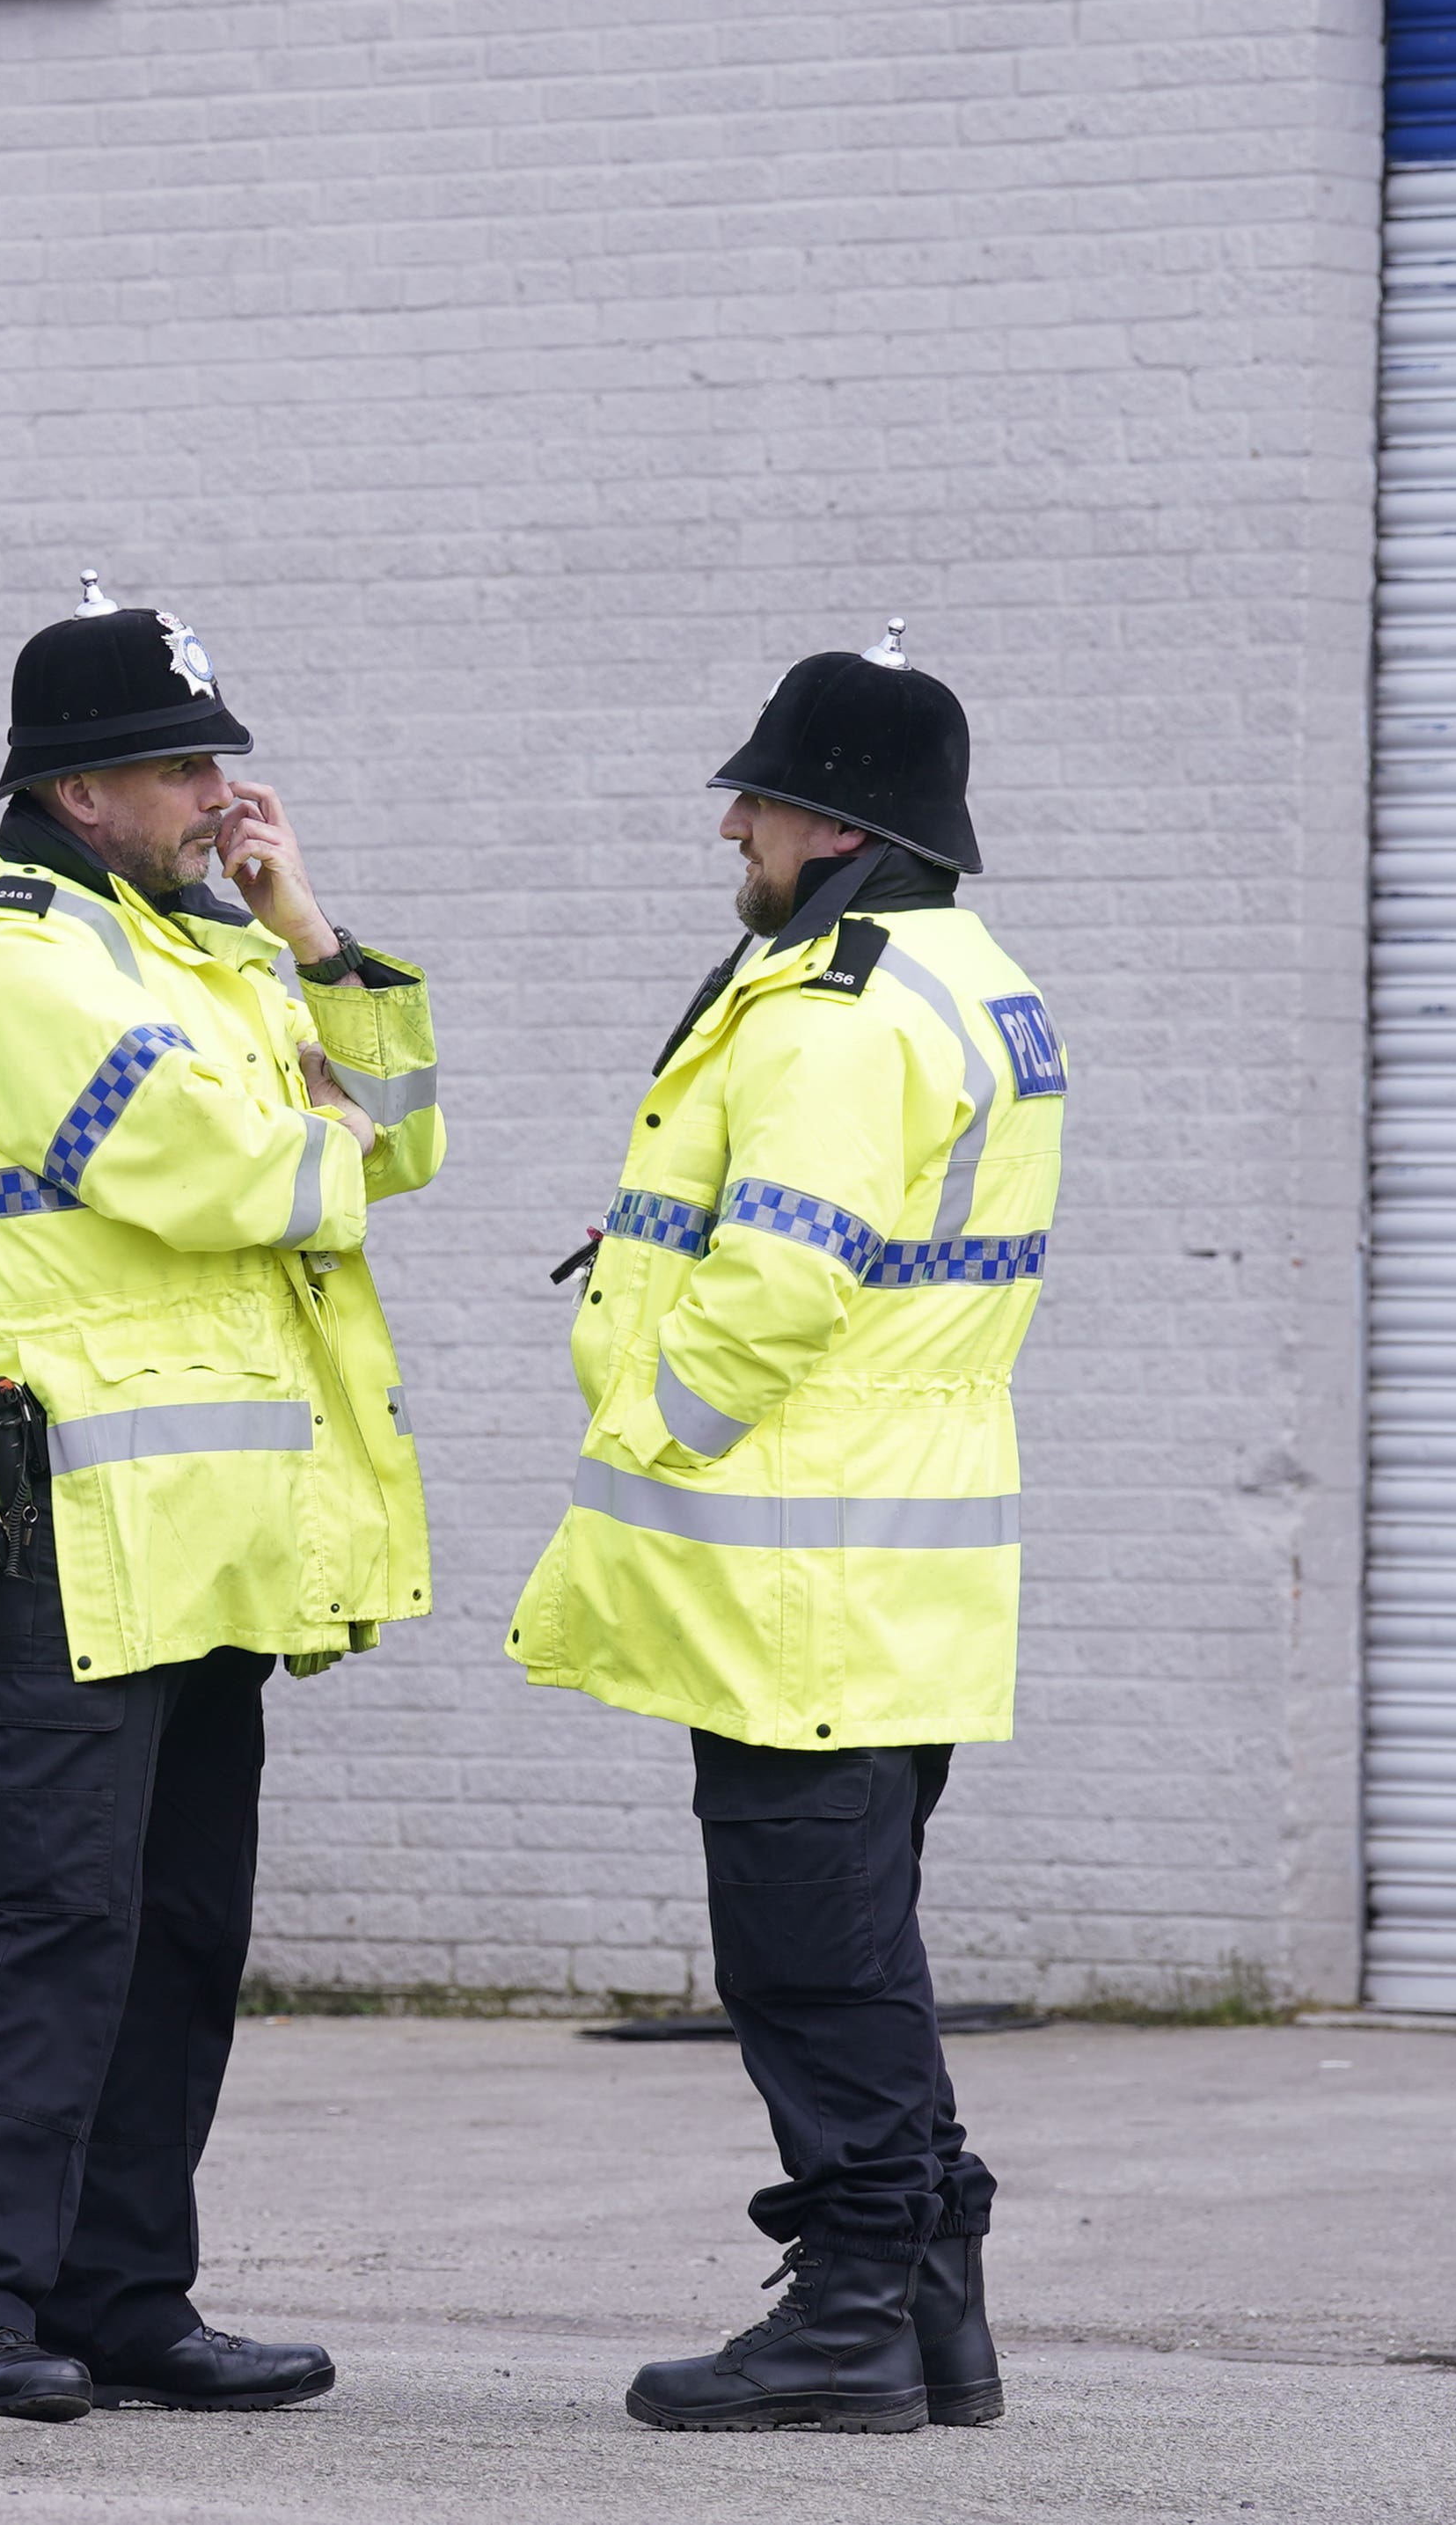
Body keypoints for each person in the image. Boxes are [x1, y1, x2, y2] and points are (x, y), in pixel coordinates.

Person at [0, 576, 443, 2421]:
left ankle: (125, 2296)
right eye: (175, 764)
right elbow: (215, 1175)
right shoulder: (5, 957)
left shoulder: (204, 945)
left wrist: (305, 924)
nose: (212, 791)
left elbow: (401, 1131)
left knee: (176, 1936)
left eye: (213, 759)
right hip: (58, 1530)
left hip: (206, 1540)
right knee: (37, 1931)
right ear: (73, 792)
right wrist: (321, 1134)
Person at [505, 629, 1069, 2434]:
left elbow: (777, 1286)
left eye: (750, 798)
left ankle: (847, 2316)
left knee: (806, 1963)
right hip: (887, 1563)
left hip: (791, 1579)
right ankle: (925, 2313)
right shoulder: (962, 976)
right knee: (855, 1946)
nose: (727, 829)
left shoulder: (837, 1011)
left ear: (825, 821)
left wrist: (642, 1430)